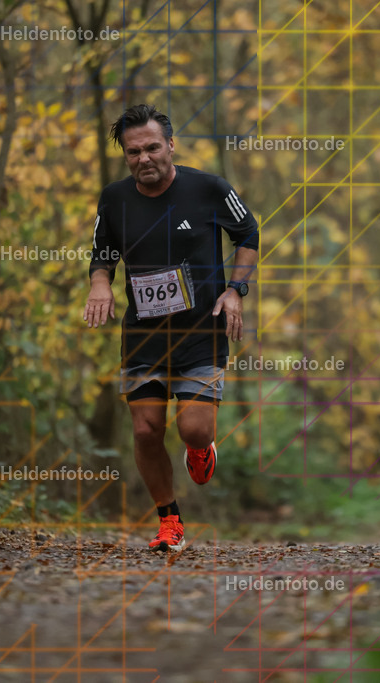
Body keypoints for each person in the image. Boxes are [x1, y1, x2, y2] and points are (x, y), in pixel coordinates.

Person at [83, 104, 259, 552]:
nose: (144, 158)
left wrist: (236, 288)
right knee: (145, 429)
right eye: (133, 151)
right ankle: (170, 522)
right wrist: (99, 286)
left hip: (202, 330)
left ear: (171, 145)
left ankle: (202, 450)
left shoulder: (210, 189)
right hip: (144, 333)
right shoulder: (115, 199)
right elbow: (101, 255)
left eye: (152, 148)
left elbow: (248, 234)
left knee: (194, 431)